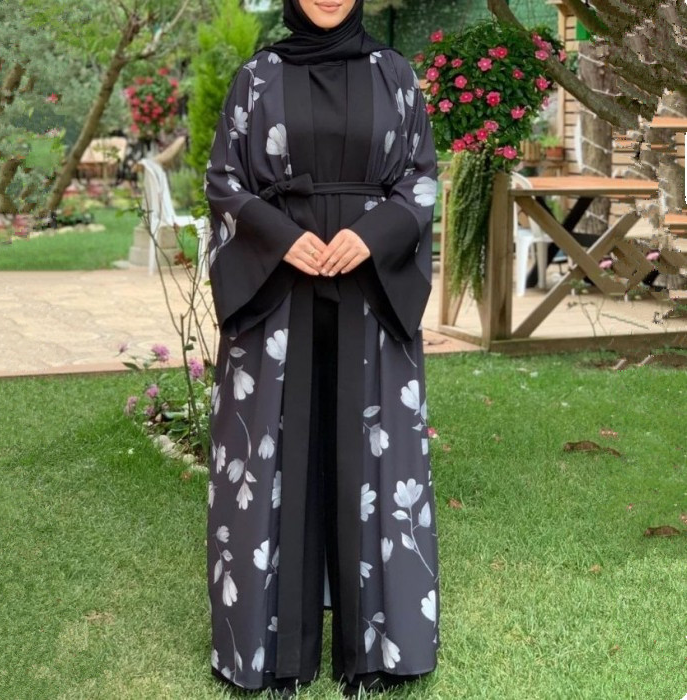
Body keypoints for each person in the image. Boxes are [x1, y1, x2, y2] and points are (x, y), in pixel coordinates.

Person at [205, 1, 440, 696]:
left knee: (373, 452)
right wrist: (282, 238)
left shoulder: (394, 74)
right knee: (274, 450)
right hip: (277, 289)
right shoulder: (257, 77)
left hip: (370, 286)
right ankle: (271, 654)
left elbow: (421, 177)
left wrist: (372, 235)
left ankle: (377, 652)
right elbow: (224, 181)